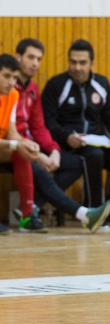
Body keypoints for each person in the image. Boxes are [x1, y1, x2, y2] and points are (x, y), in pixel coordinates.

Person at [14, 39, 110, 232]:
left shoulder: (33, 89)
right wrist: (36, 153)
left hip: (27, 146)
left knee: (75, 163)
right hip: (13, 146)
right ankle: (82, 214)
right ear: (18, 58)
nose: (35, 63)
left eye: (39, 59)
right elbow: (9, 129)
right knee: (35, 165)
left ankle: (30, 209)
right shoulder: (7, 88)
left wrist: (53, 150)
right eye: (30, 58)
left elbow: (39, 126)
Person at [41, 39, 110, 228]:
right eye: (73, 62)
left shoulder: (102, 83)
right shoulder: (56, 85)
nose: (77, 67)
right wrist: (67, 136)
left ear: (91, 63)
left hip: (97, 140)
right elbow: (48, 122)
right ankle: (94, 210)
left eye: (82, 62)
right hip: (69, 144)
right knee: (94, 156)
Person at [0, 54, 41, 234]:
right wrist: (16, 145)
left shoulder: (13, 95)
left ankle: (27, 215)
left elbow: (12, 132)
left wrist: (26, 144)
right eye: (7, 76)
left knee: (22, 153)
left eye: (15, 77)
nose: (12, 82)